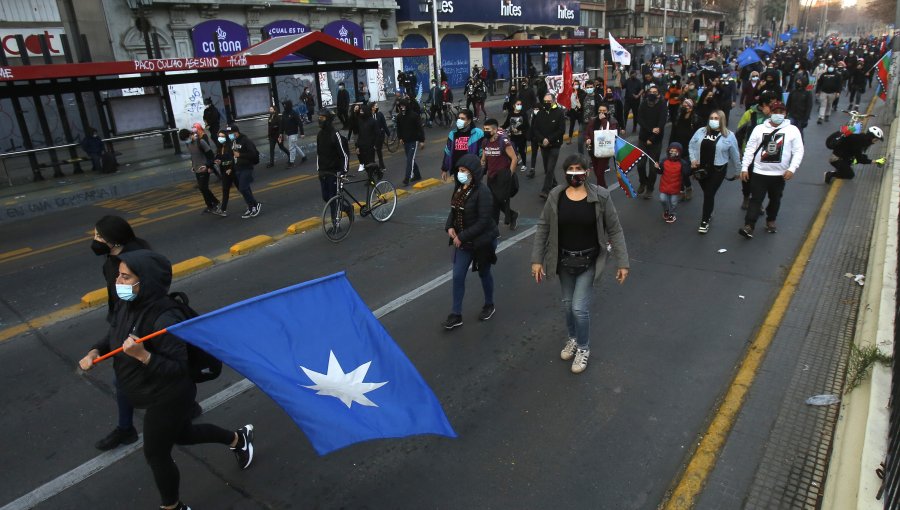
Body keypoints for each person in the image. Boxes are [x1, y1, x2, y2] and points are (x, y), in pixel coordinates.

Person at [78, 249, 255, 510]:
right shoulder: (127, 305)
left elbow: (177, 368)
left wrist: (143, 355)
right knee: (183, 435)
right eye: (119, 275)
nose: (118, 282)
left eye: (126, 277)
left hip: (169, 395)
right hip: (148, 390)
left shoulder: (164, 318)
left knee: (156, 454)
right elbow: (113, 336)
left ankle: (172, 507)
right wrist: (95, 351)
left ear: (144, 282)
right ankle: (238, 440)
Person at [530, 154, 630, 374]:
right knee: (567, 305)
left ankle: (583, 348)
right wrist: (537, 260)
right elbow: (543, 227)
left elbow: (614, 229)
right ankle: (573, 338)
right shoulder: (556, 195)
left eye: (579, 169)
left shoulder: (601, 196)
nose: (575, 173)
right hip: (564, 260)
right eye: (571, 169)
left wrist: (623, 263)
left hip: (589, 260)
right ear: (565, 172)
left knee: (578, 307)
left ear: (587, 172)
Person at [89, 216, 151, 451]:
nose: (94, 240)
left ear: (113, 240)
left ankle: (126, 429)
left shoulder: (132, 262)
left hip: (137, 323)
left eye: (98, 236)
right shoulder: (114, 259)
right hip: (122, 320)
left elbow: (138, 299)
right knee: (131, 376)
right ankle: (186, 405)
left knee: (123, 378)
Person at [443, 154, 499, 330]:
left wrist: (461, 237)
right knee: (458, 275)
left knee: (484, 273)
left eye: (464, 171)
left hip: (482, 241)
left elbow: (483, 221)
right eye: (459, 170)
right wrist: (449, 227)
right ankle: (456, 314)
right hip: (464, 243)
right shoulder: (459, 188)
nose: (460, 174)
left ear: (474, 172)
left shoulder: (483, 192)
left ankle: (489, 304)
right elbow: (454, 210)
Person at [738, 101, 804, 238]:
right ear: (770, 113)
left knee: (775, 199)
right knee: (756, 199)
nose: (778, 115)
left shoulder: (792, 130)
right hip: (759, 172)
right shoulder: (759, 129)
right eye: (775, 112)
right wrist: (744, 167)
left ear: (785, 114)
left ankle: (771, 220)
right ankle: (749, 225)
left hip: (779, 174)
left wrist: (792, 168)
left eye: (781, 112)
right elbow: (750, 149)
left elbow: (798, 151)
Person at [688, 110, 741, 234]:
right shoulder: (701, 131)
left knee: (709, 194)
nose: (713, 120)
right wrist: (693, 159)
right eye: (711, 117)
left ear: (722, 120)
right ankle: (709, 210)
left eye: (716, 118)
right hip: (700, 169)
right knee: (707, 193)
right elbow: (691, 145)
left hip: (718, 169)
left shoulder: (729, 135)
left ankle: (704, 221)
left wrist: (739, 170)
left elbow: (735, 154)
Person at [480, 118, 519, 230]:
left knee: (497, 202)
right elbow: (484, 158)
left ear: (495, 130)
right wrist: (482, 164)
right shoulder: (485, 142)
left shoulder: (503, 141)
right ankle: (511, 216)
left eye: (487, 129)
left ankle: (494, 227)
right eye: (484, 129)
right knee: (494, 202)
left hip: (502, 177)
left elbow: (514, 159)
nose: (485, 131)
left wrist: (509, 175)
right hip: (491, 177)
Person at [179, 126, 223, 216]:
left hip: (204, 168)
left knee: (203, 187)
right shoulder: (188, 144)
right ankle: (213, 202)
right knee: (202, 188)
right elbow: (193, 156)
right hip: (197, 169)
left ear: (190, 135)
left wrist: (208, 166)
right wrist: (193, 165)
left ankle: (212, 205)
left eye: (186, 138)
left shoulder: (200, 142)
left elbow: (210, 156)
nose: (186, 141)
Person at [636, 85, 668, 199]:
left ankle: (650, 188)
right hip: (643, 139)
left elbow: (661, 123)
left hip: (656, 141)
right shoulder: (644, 103)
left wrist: (652, 138)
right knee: (640, 165)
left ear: (658, 94)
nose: (652, 94)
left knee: (653, 168)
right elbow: (640, 119)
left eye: (655, 92)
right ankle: (643, 182)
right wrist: (649, 130)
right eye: (651, 91)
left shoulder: (662, 105)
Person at [533, 93, 566, 199]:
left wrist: (549, 139)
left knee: (550, 168)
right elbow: (535, 129)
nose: (546, 103)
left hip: (555, 145)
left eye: (549, 101)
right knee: (547, 169)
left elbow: (561, 130)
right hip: (543, 146)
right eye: (545, 101)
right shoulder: (540, 113)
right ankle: (555, 184)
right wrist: (542, 139)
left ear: (553, 101)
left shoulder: (559, 113)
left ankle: (545, 190)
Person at [225, 124, 262, 219]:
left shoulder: (246, 140)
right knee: (246, 188)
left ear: (236, 132)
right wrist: (230, 167)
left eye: (231, 133)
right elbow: (233, 156)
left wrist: (240, 154)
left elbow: (253, 154)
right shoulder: (233, 141)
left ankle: (255, 205)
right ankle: (251, 207)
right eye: (228, 133)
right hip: (238, 168)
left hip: (247, 167)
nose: (229, 135)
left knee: (243, 188)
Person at [583, 103, 623, 187]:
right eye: (600, 111)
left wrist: (604, 120)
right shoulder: (593, 120)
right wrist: (588, 139)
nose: (602, 113)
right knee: (597, 172)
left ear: (607, 111)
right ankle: (603, 188)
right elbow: (586, 133)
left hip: (605, 150)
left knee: (600, 172)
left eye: (604, 111)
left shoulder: (612, 121)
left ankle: (601, 190)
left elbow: (611, 133)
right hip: (593, 149)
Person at [315, 109, 350, 206]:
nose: (319, 120)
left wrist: (344, 171)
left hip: (334, 172)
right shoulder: (320, 135)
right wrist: (319, 169)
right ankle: (346, 208)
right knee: (326, 197)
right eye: (319, 118)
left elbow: (344, 154)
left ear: (328, 119)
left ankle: (335, 220)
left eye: (322, 118)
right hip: (323, 171)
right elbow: (319, 153)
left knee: (333, 198)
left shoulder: (335, 134)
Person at [668, 98, 701, 201]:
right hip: (678, 149)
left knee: (684, 171)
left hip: (690, 150)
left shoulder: (696, 120)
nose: (684, 107)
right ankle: (681, 190)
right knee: (677, 171)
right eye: (683, 105)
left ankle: (688, 186)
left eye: (687, 106)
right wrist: (670, 147)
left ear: (691, 108)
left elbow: (699, 138)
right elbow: (673, 133)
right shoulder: (678, 118)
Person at [441, 109, 485, 184]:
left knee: (473, 190)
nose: (459, 120)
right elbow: (448, 152)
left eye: (463, 119)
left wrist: (481, 164)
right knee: (459, 192)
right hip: (457, 169)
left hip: (472, 169)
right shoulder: (453, 134)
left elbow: (482, 150)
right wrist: (444, 169)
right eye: (459, 118)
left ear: (469, 121)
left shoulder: (478, 133)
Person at [656, 142, 691, 223]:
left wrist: (689, 167)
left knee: (673, 202)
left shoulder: (682, 163)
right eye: (671, 150)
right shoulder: (664, 161)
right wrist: (657, 168)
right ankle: (666, 210)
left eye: (675, 151)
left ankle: (672, 213)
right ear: (668, 151)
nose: (673, 152)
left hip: (676, 187)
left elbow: (686, 174)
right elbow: (660, 171)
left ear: (679, 152)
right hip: (664, 185)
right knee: (662, 199)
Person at [502, 99, 529, 173]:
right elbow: (507, 123)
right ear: (514, 106)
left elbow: (526, 124)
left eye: (520, 104)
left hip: (521, 136)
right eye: (518, 104)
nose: (519, 106)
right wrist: (501, 127)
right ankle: (515, 160)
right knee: (513, 150)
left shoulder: (523, 114)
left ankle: (524, 164)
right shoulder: (510, 114)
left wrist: (518, 129)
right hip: (513, 136)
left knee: (522, 150)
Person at [213, 130, 235, 217]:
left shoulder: (230, 146)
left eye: (222, 136)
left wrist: (230, 168)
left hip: (232, 171)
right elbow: (219, 158)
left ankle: (253, 204)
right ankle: (223, 209)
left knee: (242, 188)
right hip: (224, 171)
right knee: (225, 190)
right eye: (219, 136)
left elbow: (234, 158)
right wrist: (217, 161)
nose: (220, 138)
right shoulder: (220, 147)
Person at [279, 100, 307, 168]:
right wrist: (281, 133)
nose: (284, 106)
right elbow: (282, 124)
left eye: (285, 105)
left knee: (291, 148)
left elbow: (299, 123)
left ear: (288, 105)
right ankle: (304, 157)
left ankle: (291, 162)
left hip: (293, 133)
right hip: (288, 133)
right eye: (284, 105)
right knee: (294, 146)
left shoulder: (294, 113)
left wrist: (302, 133)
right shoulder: (284, 113)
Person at [371, 103, 390, 170]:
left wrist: (388, 133)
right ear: (372, 108)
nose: (377, 107)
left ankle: (382, 165)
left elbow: (384, 124)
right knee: (372, 151)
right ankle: (373, 166)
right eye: (375, 106)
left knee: (379, 150)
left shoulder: (380, 114)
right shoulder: (369, 115)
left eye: (377, 106)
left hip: (380, 135)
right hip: (372, 136)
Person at [567, 80, 584, 147]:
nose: (576, 85)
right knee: (571, 126)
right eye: (574, 84)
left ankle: (582, 138)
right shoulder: (570, 92)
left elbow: (583, 101)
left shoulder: (582, 92)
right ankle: (570, 140)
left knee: (581, 126)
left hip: (579, 111)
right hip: (573, 111)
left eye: (577, 84)